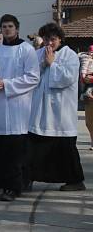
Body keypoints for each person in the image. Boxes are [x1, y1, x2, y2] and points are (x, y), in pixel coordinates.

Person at [28, 22, 86, 191]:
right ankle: (28, 178)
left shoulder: (70, 56)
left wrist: (52, 64)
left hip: (61, 110)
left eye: (52, 39)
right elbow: (30, 76)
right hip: (40, 109)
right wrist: (44, 64)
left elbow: (67, 78)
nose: (49, 43)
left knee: (65, 149)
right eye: (46, 39)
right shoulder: (38, 54)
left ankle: (75, 180)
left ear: (60, 39)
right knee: (34, 147)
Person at [0, 14, 39, 201]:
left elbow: (33, 77)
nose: (7, 29)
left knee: (15, 151)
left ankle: (14, 187)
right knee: (1, 150)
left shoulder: (26, 49)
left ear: (17, 29)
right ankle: (2, 184)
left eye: (10, 26)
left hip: (18, 105)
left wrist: (8, 84)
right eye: (4, 26)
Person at [81, 45, 93, 151]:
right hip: (88, 95)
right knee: (88, 122)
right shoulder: (86, 60)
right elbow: (83, 78)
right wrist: (85, 78)